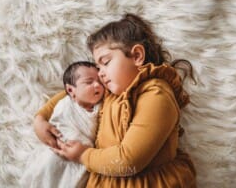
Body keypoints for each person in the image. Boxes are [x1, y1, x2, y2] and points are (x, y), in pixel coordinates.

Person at [34, 13, 197, 187]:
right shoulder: (109, 91)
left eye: (105, 62)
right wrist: (40, 118)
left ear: (136, 56)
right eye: (97, 67)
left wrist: (83, 155)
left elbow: (129, 161)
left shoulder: (156, 94)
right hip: (105, 179)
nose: (100, 73)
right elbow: (74, 92)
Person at [21, 61, 104, 188]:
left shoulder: (102, 104)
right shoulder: (65, 104)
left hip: (81, 155)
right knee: (47, 168)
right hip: (58, 147)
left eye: (100, 81)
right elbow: (58, 123)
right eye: (89, 82)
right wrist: (40, 121)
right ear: (71, 90)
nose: (97, 85)